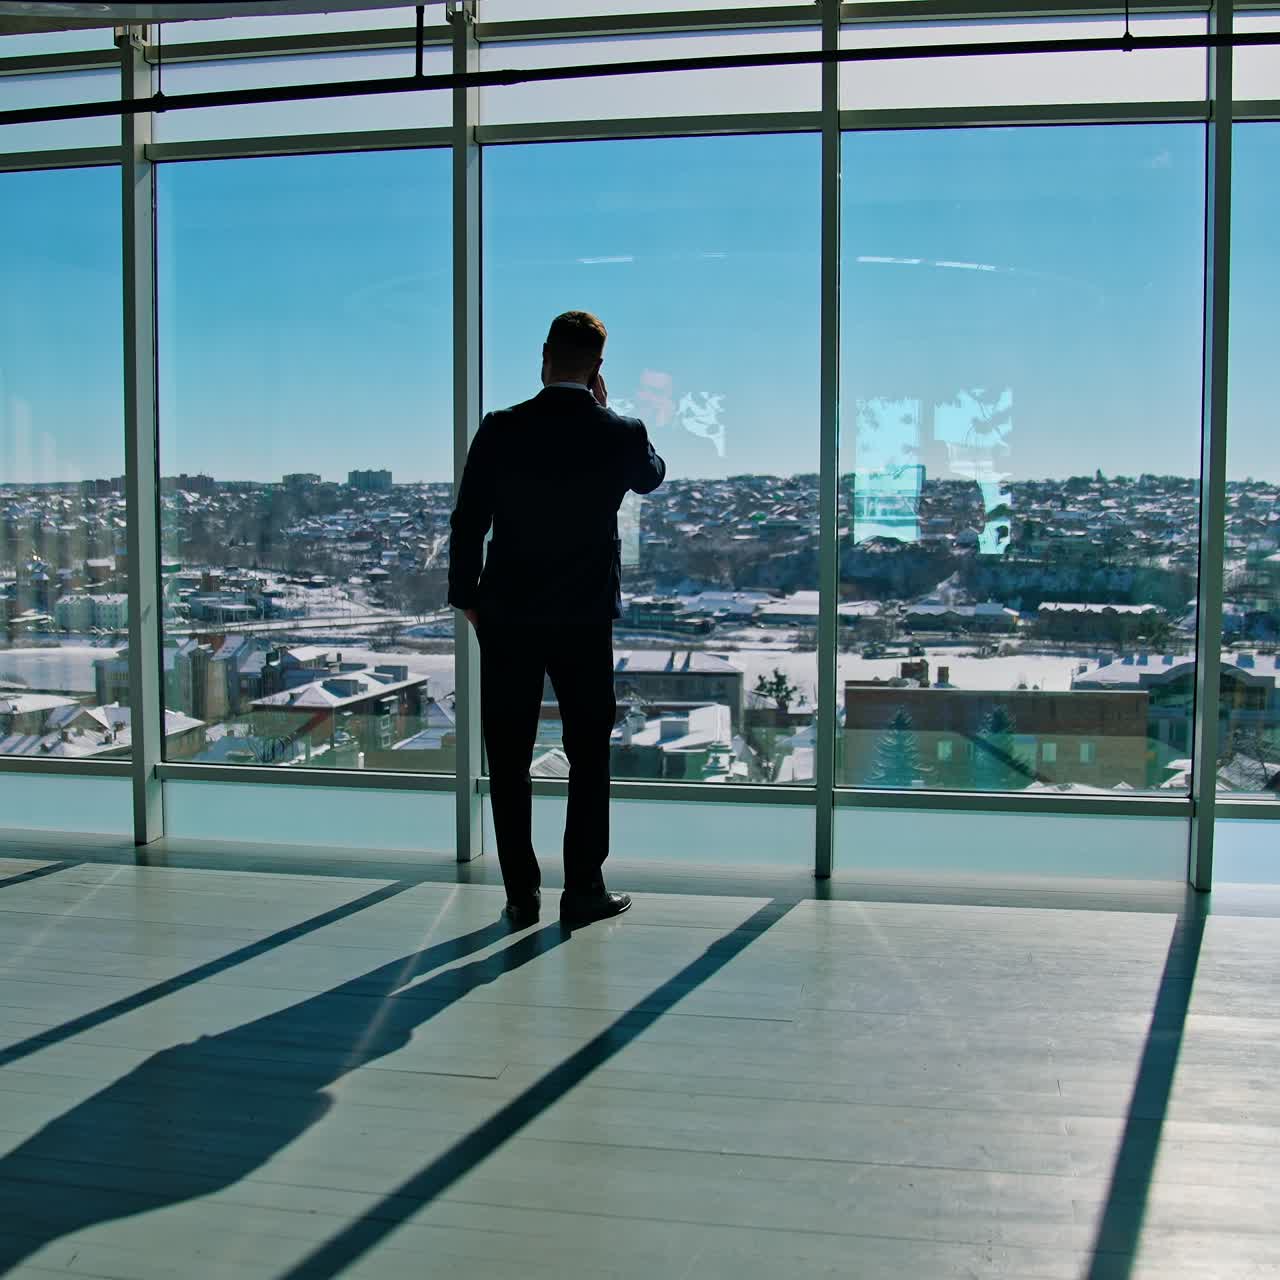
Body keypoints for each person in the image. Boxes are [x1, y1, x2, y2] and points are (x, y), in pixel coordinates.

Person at [448, 311, 666, 928]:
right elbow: (651, 476)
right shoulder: (620, 433)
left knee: (509, 753)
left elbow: (468, 521)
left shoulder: (501, 428)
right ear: (598, 367)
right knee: (588, 751)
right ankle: (583, 889)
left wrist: (468, 597)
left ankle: (522, 893)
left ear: (543, 354)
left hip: (509, 613)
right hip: (583, 616)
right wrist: (612, 410)